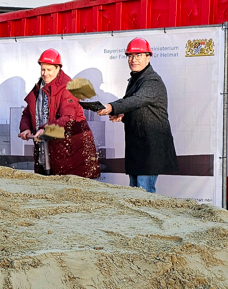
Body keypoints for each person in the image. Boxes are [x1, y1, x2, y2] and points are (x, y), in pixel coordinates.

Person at [97, 37, 178, 193]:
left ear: (148, 57)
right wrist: (123, 115)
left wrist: (111, 107)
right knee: (135, 193)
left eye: (138, 55)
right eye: (130, 56)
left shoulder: (152, 81)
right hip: (139, 147)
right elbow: (140, 108)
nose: (133, 60)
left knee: (144, 193)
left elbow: (137, 100)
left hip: (150, 148)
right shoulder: (136, 80)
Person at [18, 49, 100, 178]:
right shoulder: (39, 89)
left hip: (71, 150)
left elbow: (68, 118)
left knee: (71, 191)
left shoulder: (67, 88)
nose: (45, 74)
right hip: (47, 149)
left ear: (58, 68)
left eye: (49, 70)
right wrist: (26, 128)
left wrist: (45, 129)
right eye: (43, 69)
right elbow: (27, 113)